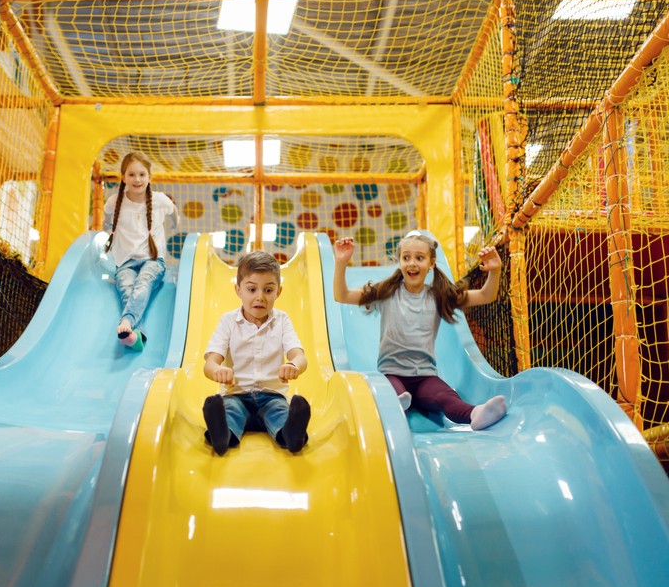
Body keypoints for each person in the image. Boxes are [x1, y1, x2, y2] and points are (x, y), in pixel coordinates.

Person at [333, 231, 507, 430]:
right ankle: (395, 408)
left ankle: (475, 413)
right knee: (393, 393)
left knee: (446, 396)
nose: (412, 263)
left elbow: (486, 295)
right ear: (399, 262)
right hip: (392, 373)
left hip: (425, 377)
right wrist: (341, 263)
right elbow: (342, 295)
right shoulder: (385, 293)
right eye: (406, 258)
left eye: (419, 258)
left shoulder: (439, 296)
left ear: (431, 263)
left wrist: (495, 271)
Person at [202, 251, 311, 456]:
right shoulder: (228, 321)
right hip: (237, 394)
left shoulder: (282, 320)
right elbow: (209, 364)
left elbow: (300, 357)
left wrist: (294, 366)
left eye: (268, 290)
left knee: (280, 413)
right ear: (238, 290)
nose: (260, 297)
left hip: (272, 396)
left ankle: (292, 436)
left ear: (278, 291)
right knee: (230, 411)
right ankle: (221, 436)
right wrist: (218, 371)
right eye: (252, 289)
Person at [103, 151, 178, 351]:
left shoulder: (160, 200)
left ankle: (127, 321)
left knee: (142, 283)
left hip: (154, 261)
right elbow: (107, 221)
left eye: (142, 174)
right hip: (125, 262)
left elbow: (174, 213)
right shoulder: (113, 202)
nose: (137, 179)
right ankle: (137, 337)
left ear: (149, 177)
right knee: (127, 288)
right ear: (123, 177)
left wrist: (173, 225)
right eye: (132, 174)